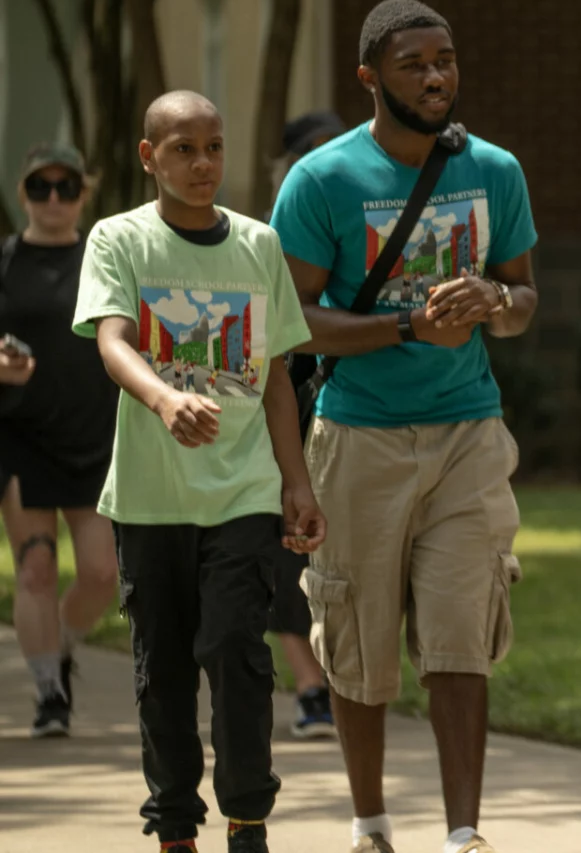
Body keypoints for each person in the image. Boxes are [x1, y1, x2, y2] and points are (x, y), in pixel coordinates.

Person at [270, 0, 539, 853]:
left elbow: (524, 298)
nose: (435, 77)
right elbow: (289, 322)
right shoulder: (322, 180)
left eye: (445, 60)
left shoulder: (493, 170)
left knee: (463, 635)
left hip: (468, 432)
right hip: (360, 435)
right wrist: (407, 326)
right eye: (413, 64)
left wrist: (493, 299)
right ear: (369, 78)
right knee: (359, 639)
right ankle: (371, 824)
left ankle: (464, 833)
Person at [73, 90, 324, 853]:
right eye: (183, 149)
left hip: (244, 491)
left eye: (213, 146)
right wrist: (164, 398)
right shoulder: (120, 239)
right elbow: (113, 340)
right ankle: (175, 826)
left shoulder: (258, 244)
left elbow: (275, 378)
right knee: (164, 671)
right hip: (151, 499)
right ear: (150, 157)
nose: (202, 162)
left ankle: (248, 821)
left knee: (235, 648)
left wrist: (296, 481)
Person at [0, 144, 119, 738]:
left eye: (65, 187)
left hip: (94, 436)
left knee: (102, 573)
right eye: (40, 187)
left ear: (82, 194)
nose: (53, 198)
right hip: (21, 437)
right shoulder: (5, 262)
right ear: (23, 194)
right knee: (36, 568)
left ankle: (63, 646)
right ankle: (50, 692)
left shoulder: (106, 259)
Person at [268, 110, 348, 741]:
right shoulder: (262, 237)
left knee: (338, 547)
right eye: (309, 152)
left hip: (347, 401)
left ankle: (337, 674)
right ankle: (309, 684)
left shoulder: (362, 215)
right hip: (281, 403)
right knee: (284, 543)